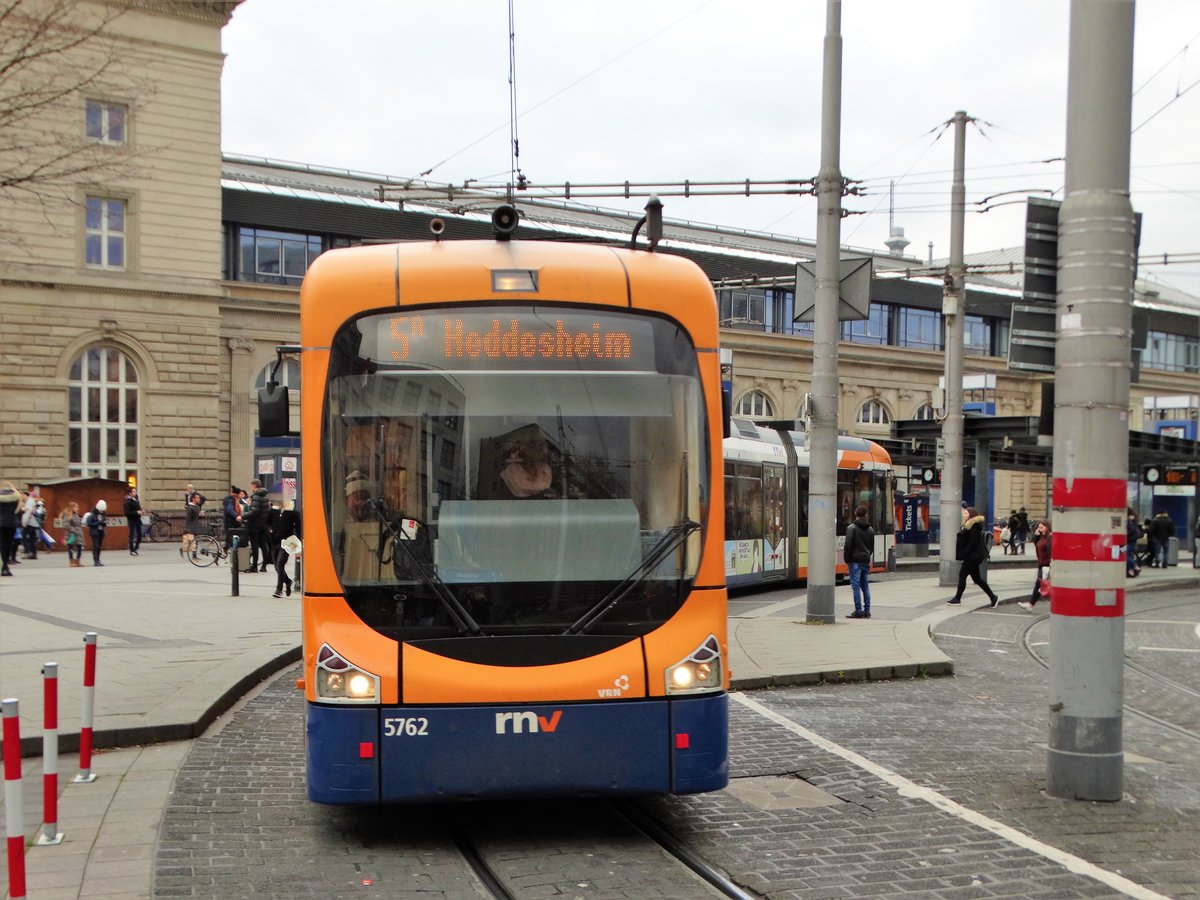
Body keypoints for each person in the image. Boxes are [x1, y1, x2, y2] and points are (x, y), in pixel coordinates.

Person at [947, 505, 999, 607]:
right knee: (977, 579)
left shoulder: (973, 526)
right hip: (974, 556)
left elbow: (973, 543)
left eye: (966, 513)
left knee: (962, 575)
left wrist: (964, 554)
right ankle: (993, 597)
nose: (964, 514)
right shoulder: (969, 525)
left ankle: (957, 598)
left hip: (973, 556)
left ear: (971, 515)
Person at [843, 504, 875, 619]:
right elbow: (871, 547)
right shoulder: (870, 529)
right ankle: (867, 611)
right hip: (865, 561)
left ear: (856, 514)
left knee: (855, 586)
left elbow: (848, 545)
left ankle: (858, 610)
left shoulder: (851, 528)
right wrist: (867, 556)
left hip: (854, 561)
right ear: (865, 515)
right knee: (865, 586)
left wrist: (847, 559)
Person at [1018, 520, 1052, 611]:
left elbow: (1051, 552)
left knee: (1039, 584)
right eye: (1039, 527)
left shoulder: (1050, 538)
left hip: (1047, 565)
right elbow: (1036, 545)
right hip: (1041, 564)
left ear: (1047, 527)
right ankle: (1031, 605)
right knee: (1040, 585)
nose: (1039, 529)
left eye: (1042, 527)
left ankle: (1030, 605)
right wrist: (1036, 536)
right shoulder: (1041, 538)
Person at [271, 499, 300, 598]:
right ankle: (288, 581)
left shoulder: (293, 512)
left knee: (280, 564)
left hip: (287, 542)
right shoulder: (273, 511)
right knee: (277, 567)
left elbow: (299, 527)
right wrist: (269, 530)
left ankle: (278, 590)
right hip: (274, 542)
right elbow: (266, 522)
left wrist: (299, 541)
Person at [243, 479, 270, 572]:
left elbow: (254, 511)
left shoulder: (256, 496)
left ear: (254, 485)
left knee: (254, 545)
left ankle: (254, 566)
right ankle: (264, 566)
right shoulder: (266, 496)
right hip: (264, 524)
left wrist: (243, 516)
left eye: (252, 486)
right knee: (263, 544)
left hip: (255, 524)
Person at [0, 482, 20, 575]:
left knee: (2, 544)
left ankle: (2, 565)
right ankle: (5, 566)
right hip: (11, 523)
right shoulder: (14, 499)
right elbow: (18, 508)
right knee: (8, 544)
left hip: (1, 523)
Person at [85, 499, 108, 566]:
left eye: (102, 510)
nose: (101, 511)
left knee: (99, 546)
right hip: (94, 532)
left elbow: (104, 521)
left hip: (101, 531)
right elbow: (89, 523)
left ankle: (98, 560)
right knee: (96, 546)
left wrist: (104, 523)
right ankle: (95, 561)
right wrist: (98, 523)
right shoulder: (92, 514)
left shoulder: (103, 514)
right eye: (100, 510)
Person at [63, 501, 85, 568]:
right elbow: (66, 525)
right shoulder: (68, 515)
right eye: (76, 507)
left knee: (80, 547)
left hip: (78, 534)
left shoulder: (76, 514)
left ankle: (77, 561)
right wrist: (74, 530)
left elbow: (78, 524)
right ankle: (71, 562)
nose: (77, 508)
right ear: (72, 507)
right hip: (71, 534)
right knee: (70, 547)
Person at [181, 492, 202, 559]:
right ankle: (184, 550)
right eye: (197, 498)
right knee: (191, 542)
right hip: (191, 526)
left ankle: (194, 556)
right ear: (193, 499)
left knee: (195, 541)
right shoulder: (190, 508)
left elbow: (197, 517)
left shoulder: (197, 507)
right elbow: (188, 519)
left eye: (199, 497)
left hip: (196, 525)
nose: (199, 499)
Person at [124, 486, 144, 556]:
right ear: (130, 493)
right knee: (131, 535)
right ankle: (132, 550)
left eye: (135, 491)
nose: (135, 493)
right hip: (132, 520)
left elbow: (138, 508)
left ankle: (135, 548)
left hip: (138, 519)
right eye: (134, 492)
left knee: (140, 535)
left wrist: (141, 511)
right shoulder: (127, 502)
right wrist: (136, 512)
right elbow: (127, 513)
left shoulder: (136, 499)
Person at [1125, 508, 1142, 578]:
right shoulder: (1132, 520)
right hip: (1131, 542)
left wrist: (1124, 535)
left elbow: (1131, 530)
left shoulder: (1129, 521)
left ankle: (1134, 566)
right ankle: (1130, 571)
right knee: (1127, 555)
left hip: (1129, 542)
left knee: (1122, 554)